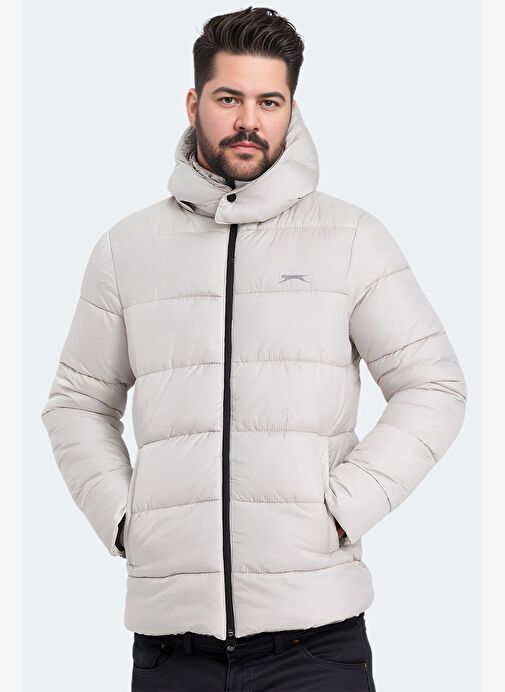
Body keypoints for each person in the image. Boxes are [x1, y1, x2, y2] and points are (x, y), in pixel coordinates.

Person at [40, 6, 467, 691]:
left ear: (290, 107)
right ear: (194, 104)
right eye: (228, 98)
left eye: (269, 101)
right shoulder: (127, 249)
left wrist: (342, 509)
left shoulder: (350, 238)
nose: (249, 120)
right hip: (171, 646)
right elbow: (77, 403)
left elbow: (433, 385)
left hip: (314, 644)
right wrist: (125, 520)